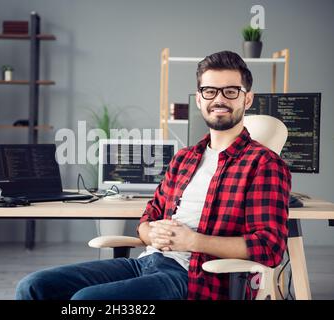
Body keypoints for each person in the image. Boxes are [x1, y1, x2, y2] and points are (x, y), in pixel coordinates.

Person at [15, 51, 291, 300]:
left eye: (230, 91)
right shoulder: (185, 159)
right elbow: (149, 216)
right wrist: (152, 233)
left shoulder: (263, 164)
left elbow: (269, 247)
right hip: (147, 262)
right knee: (34, 286)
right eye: (209, 91)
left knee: (87, 302)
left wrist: (194, 241)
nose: (219, 99)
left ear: (247, 98)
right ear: (199, 99)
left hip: (194, 278)